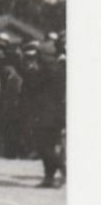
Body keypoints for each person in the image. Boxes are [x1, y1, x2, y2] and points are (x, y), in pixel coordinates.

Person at [23, 44, 66, 188]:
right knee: (49, 146)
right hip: (56, 114)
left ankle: (63, 170)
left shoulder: (45, 71)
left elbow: (32, 86)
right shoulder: (60, 69)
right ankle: (49, 177)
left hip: (43, 114)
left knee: (43, 147)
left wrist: (30, 70)